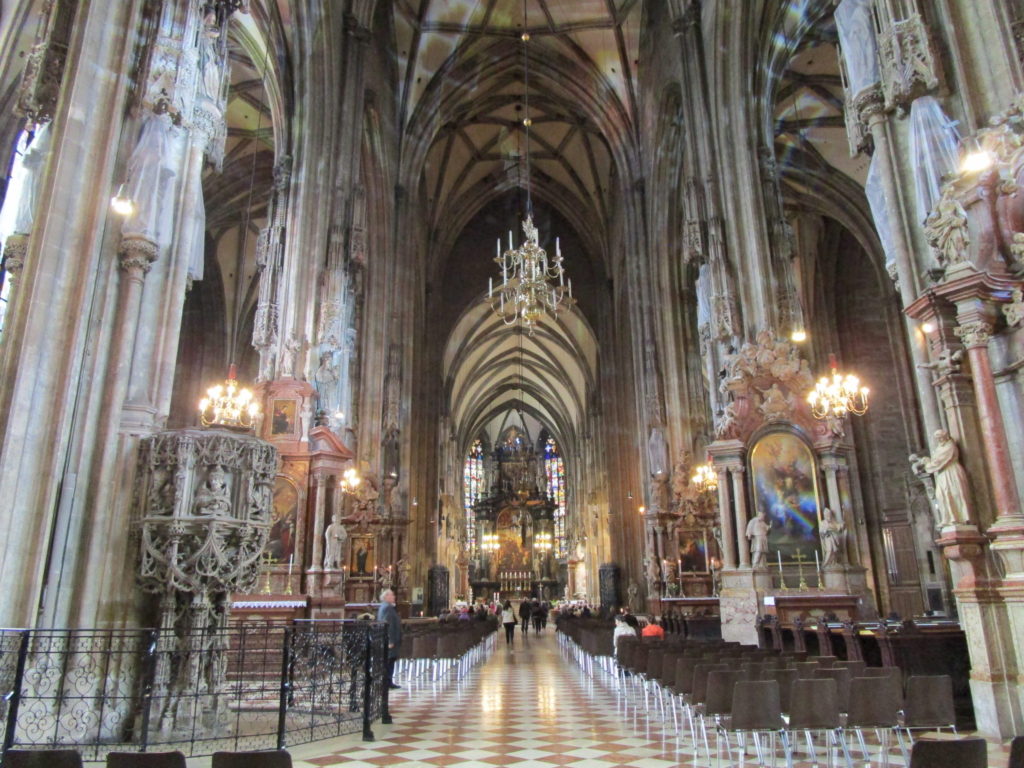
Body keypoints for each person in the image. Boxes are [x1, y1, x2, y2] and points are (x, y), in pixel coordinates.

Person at [376, 588, 402, 700]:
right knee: (388, 661)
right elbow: (388, 625)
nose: (394, 597)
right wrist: (390, 640)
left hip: (389, 640)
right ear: (386, 597)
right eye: (392, 595)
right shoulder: (387, 608)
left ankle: (388, 681)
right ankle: (386, 682)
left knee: (390, 661)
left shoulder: (386, 607)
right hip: (388, 641)